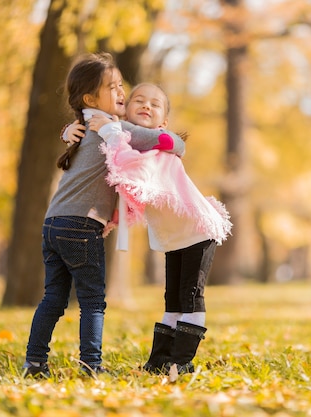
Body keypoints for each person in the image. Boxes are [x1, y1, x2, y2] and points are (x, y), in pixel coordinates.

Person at [23, 54, 186, 379]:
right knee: (93, 301)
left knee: (53, 298)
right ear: (90, 98)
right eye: (112, 87)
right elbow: (174, 144)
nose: (121, 92)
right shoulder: (114, 128)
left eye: (121, 84)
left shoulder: (84, 125)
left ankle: (35, 362)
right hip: (81, 225)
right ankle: (91, 366)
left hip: (53, 223)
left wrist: (65, 130)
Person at [71, 83, 232, 378]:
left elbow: (130, 172)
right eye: (139, 101)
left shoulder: (159, 148)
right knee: (172, 298)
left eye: (155, 104)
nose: (146, 105)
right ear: (126, 110)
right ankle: (159, 362)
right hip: (174, 238)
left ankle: (181, 361)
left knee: (191, 295)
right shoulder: (129, 143)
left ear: (163, 122)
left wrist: (111, 130)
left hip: (197, 230)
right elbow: (123, 188)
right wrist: (72, 129)